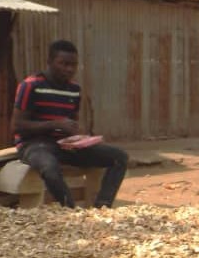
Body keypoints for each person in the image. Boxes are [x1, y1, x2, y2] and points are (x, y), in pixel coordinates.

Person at [11, 39, 128, 208]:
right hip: (33, 145)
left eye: (73, 65)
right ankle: (71, 211)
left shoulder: (74, 89)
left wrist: (79, 138)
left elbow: (71, 123)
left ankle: (102, 206)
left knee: (119, 157)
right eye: (64, 64)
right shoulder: (31, 86)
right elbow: (17, 126)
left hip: (64, 145)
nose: (69, 69)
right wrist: (54, 124)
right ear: (49, 62)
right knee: (49, 166)